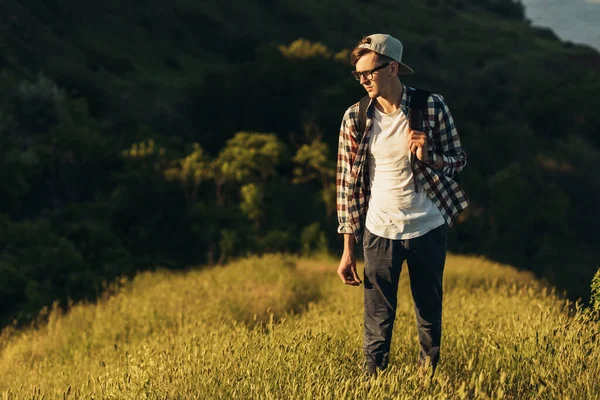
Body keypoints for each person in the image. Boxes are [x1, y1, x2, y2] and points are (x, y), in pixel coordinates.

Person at [335, 33, 469, 378]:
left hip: (427, 227)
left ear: (392, 68)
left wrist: (430, 156)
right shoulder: (355, 117)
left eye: (369, 72)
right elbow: (347, 186)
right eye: (358, 75)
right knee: (377, 318)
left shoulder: (431, 106)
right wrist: (348, 249)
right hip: (379, 231)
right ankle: (372, 384)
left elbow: (458, 160)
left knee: (428, 314)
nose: (363, 80)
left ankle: (428, 381)